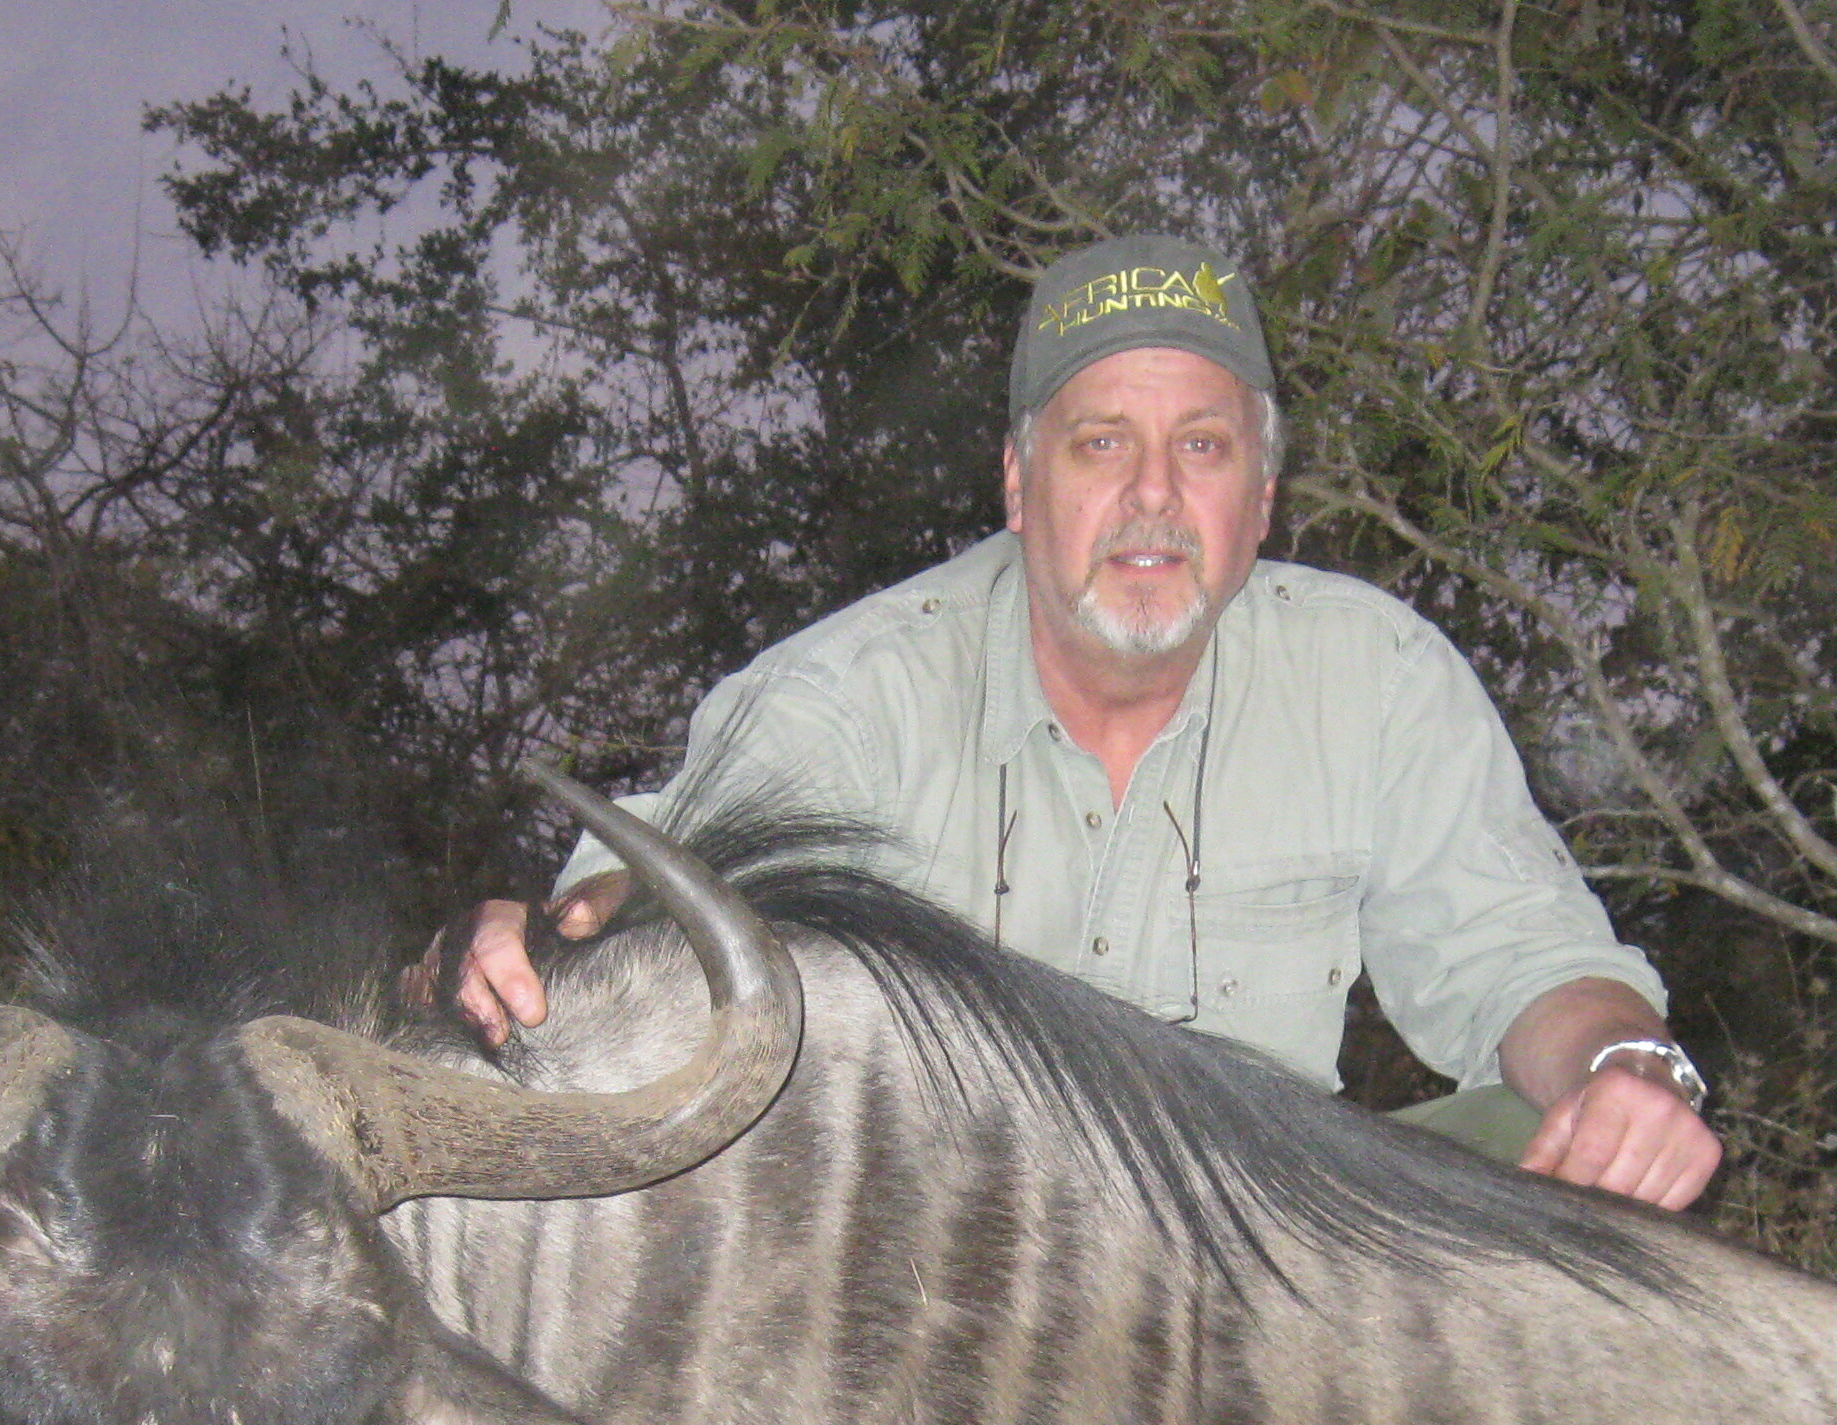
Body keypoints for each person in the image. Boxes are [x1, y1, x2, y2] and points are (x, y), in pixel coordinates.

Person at [419, 231, 1719, 1210]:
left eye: (1203, 448)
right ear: (1018, 485)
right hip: (951, 1247)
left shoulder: (1376, 677)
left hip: (1272, 1236)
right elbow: (650, 896)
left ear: (1261, 497)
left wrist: (1631, 1069)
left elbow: (1530, 961)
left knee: (1559, 1185)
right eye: (1100, 445)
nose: (1152, 496)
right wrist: (541, 951)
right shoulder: (859, 688)